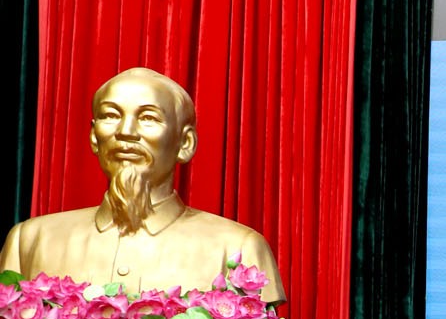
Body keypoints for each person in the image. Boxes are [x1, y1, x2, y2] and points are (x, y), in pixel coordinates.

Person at [0, 67, 285, 301]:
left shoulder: (238, 249)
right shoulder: (29, 241)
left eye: (148, 118)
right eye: (111, 115)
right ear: (94, 137)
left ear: (185, 143)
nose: (126, 132)